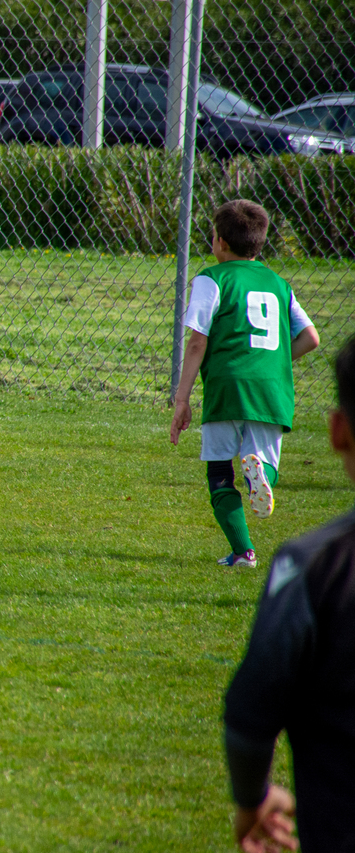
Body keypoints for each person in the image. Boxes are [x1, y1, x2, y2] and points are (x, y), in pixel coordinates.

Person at [222, 334, 355, 853]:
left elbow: (249, 712)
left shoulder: (313, 567)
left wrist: (251, 798)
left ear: (338, 432)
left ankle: (241, 542)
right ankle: (265, 472)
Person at [170, 200, 320, 569]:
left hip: (227, 384)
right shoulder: (278, 284)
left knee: (220, 471)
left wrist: (182, 398)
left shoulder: (212, 279)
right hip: (270, 388)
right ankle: (261, 476)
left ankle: (243, 552)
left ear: (220, 242)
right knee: (264, 462)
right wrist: (273, 363)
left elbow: (197, 341)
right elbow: (311, 338)